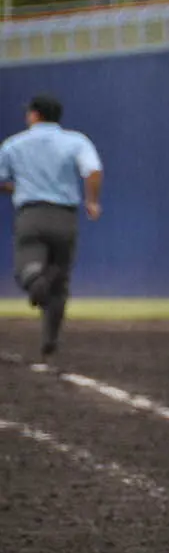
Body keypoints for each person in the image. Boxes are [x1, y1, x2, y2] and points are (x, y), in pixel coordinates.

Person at [0, 95, 103, 373]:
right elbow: (92, 170)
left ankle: (38, 285)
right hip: (65, 216)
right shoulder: (76, 141)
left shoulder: (14, 144)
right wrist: (92, 200)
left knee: (28, 270)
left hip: (31, 215)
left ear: (34, 115)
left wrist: (19, 188)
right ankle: (49, 343)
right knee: (60, 280)